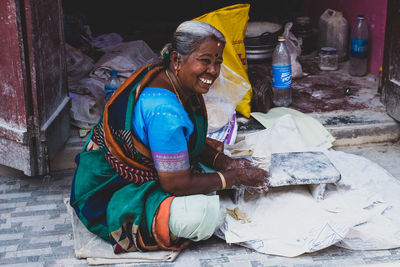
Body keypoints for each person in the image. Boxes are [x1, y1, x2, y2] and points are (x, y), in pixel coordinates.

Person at [70, 20, 269, 254]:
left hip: (128, 167)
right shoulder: (165, 112)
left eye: (217, 62)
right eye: (205, 61)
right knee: (203, 215)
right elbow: (176, 183)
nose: (213, 71)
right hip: (107, 191)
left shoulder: (167, 78)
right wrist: (235, 177)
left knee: (214, 163)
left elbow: (189, 139)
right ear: (176, 59)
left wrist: (225, 163)